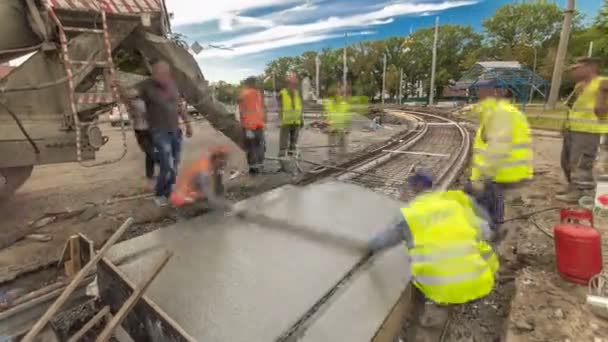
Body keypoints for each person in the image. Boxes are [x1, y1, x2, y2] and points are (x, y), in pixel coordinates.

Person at [368, 169, 498, 335]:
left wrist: (367, 246)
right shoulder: (453, 204)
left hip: (439, 291)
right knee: (479, 247)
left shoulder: (409, 214)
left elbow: (383, 241)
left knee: (421, 270)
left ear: (415, 188)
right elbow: (486, 233)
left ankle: (433, 310)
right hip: (480, 284)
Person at [117, 60, 193, 207]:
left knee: (175, 165)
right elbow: (128, 96)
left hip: (175, 131)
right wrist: (119, 89)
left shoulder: (172, 84)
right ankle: (159, 194)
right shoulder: (146, 85)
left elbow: (179, 106)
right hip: (159, 132)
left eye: (165, 72)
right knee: (167, 165)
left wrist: (188, 124)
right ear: (153, 73)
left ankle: (168, 192)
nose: (162, 76)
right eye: (159, 73)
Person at [466, 93, 533, 226]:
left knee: (487, 213)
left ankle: (490, 234)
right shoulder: (504, 112)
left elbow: (498, 148)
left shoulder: (501, 114)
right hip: (496, 174)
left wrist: (482, 175)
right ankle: (493, 228)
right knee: (493, 207)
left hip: (492, 174)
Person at [557, 57, 608, 203]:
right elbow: (573, 108)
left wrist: (602, 94)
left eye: (577, 68)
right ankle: (573, 187)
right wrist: (565, 125)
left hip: (590, 130)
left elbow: (601, 110)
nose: (573, 72)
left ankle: (583, 192)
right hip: (574, 128)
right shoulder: (580, 86)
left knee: (581, 162)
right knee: (567, 161)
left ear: (591, 68)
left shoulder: (603, 83)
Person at [169, 145, 234, 211]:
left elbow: (218, 182)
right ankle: (187, 209)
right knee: (209, 201)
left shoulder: (210, 161)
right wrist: (226, 205)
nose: (224, 164)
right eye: (222, 161)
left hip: (191, 190)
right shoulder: (203, 170)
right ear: (216, 159)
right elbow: (208, 194)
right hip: (181, 197)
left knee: (209, 194)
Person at [239, 76, 267, 174]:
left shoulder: (254, 93)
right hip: (252, 125)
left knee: (256, 147)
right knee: (256, 147)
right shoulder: (249, 94)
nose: (256, 84)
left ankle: (256, 167)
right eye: (255, 82)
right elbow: (243, 111)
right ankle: (255, 168)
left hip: (254, 125)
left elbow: (259, 108)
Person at [278, 72, 304, 164]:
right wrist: (280, 120)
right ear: (288, 81)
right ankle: (281, 161)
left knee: (294, 142)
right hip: (286, 121)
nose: (295, 80)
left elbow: (300, 106)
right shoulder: (282, 93)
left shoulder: (297, 93)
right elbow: (280, 107)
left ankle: (292, 159)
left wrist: (301, 119)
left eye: (295, 78)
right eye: (293, 78)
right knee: (283, 142)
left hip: (296, 121)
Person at [324, 81, 353, 158]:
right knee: (331, 150)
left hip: (342, 129)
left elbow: (347, 117)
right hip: (332, 130)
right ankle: (331, 160)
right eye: (338, 92)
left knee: (343, 148)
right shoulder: (329, 104)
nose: (339, 93)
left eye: (340, 92)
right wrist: (329, 127)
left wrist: (347, 128)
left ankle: (343, 161)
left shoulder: (344, 104)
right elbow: (327, 116)